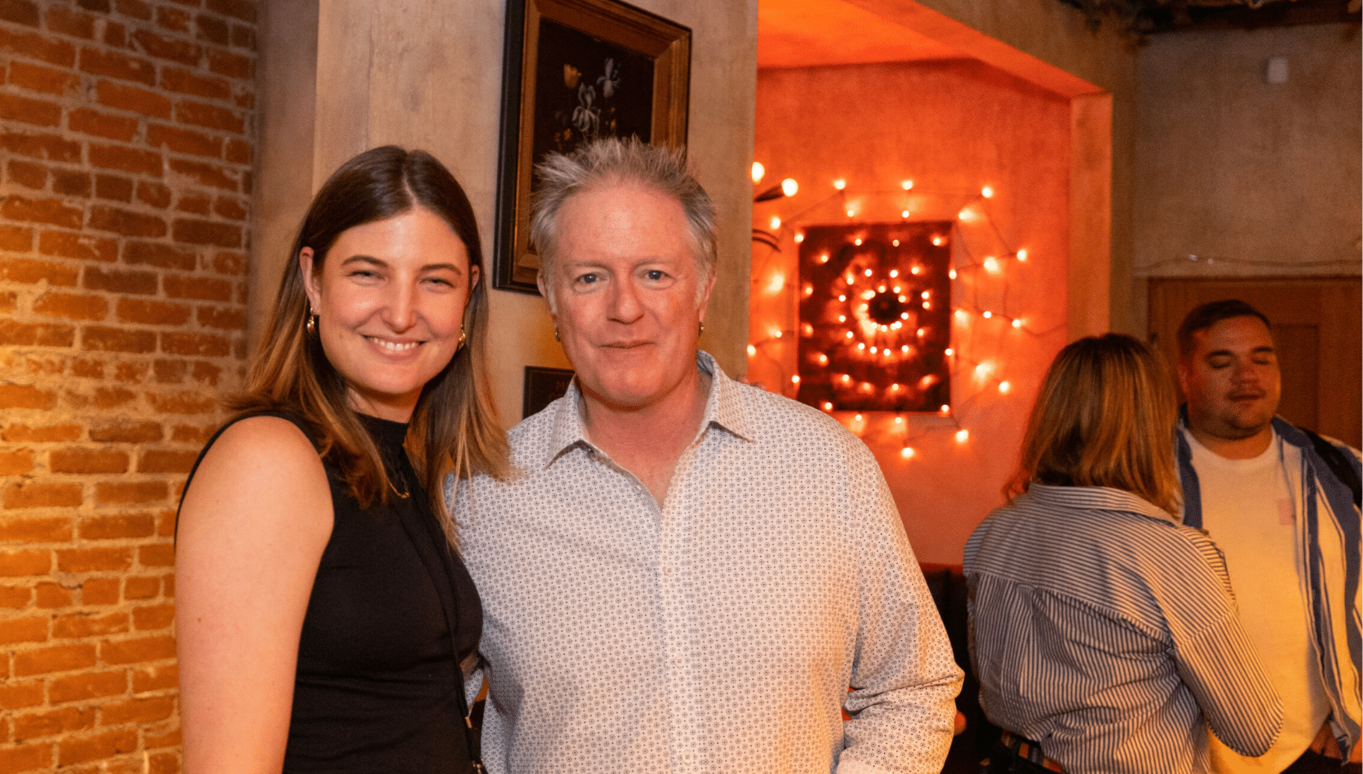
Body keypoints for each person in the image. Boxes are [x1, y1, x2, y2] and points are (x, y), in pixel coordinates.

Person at [452, 138, 962, 773]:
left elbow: (913, 687)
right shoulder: (482, 497)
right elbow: (410, 714)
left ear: (704, 289)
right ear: (551, 298)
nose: (624, 308)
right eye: (589, 277)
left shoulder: (827, 467)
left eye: (655, 274)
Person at [174, 146, 509, 773]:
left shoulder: (401, 467)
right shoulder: (269, 461)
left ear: (467, 297)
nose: (401, 313)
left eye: (435, 281)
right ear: (313, 280)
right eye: (368, 274)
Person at [964, 333, 1282, 774]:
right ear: (1150, 428)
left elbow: (989, 674)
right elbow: (1253, 729)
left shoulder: (995, 530)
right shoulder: (1170, 554)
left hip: (1010, 762)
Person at [1174, 299, 1362, 773]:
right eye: (1222, 362)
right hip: (1182, 752)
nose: (1247, 376)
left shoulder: (1340, 471)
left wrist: (1356, 712)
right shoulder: (1140, 476)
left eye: (1262, 359)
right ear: (1185, 376)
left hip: (1316, 750)